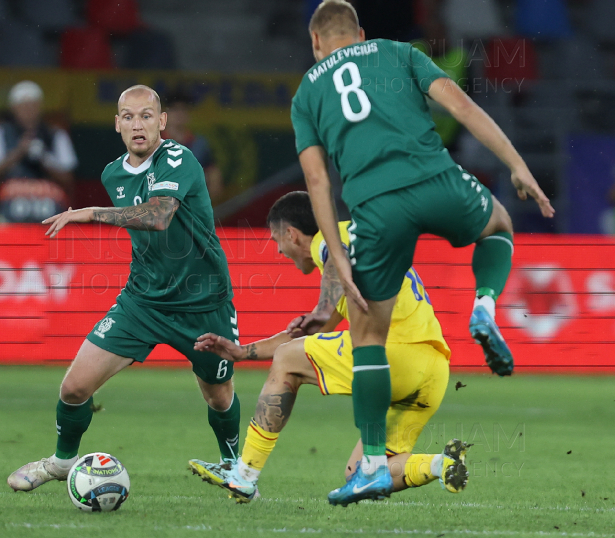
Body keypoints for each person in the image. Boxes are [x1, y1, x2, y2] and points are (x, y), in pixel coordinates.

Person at [292, 0, 553, 506]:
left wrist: (339, 254)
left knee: (368, 336)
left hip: (374, 207)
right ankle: (484, 306)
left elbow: (317, 180)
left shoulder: (308, 91)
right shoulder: (396, 53)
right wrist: (517, 165)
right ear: (360, 32)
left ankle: (369, 465)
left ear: (315, 43)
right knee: (497, 224)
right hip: (436, 179)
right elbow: (462, 107)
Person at [8, 85, 242, 491]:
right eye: (129, 117)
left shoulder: (179, 158)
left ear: (162, 122)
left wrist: (91, 213)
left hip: (203, 302)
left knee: (218, 396)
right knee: (75, 386)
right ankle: (63, 462)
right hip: (143, 301)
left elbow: (158, 216)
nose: (138, 124)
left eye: (147, 116)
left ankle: (234, 466)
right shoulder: (112, 173)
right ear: (117, 124)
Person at [189, 191, 469, 504]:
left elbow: (338, 259)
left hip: (395, 352)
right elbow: (309, 336)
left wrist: (322, 308)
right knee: (361, 474)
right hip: (433, 371)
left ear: (291, 234)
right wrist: (243, 352)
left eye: (276, 239)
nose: (280, 250)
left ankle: (244, 476)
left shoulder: (332, 238)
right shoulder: (354, 265)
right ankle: (440, 465)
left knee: (286, 359)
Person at [0, 81, 77, 223]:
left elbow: (68, 177)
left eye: (32, 105)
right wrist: (18, 152)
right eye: (23, 105)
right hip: (10, 208)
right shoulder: (1, 132)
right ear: (14, 108)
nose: (28, 110)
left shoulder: (55, 134)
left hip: (48, 207)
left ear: (40, 106)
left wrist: (43, 157)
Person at [162, 90, 223, 200]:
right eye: (175, 109)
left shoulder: (200, 144)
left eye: (183, 109)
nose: (179, 113)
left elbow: (214, 176)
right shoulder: (152, 144)